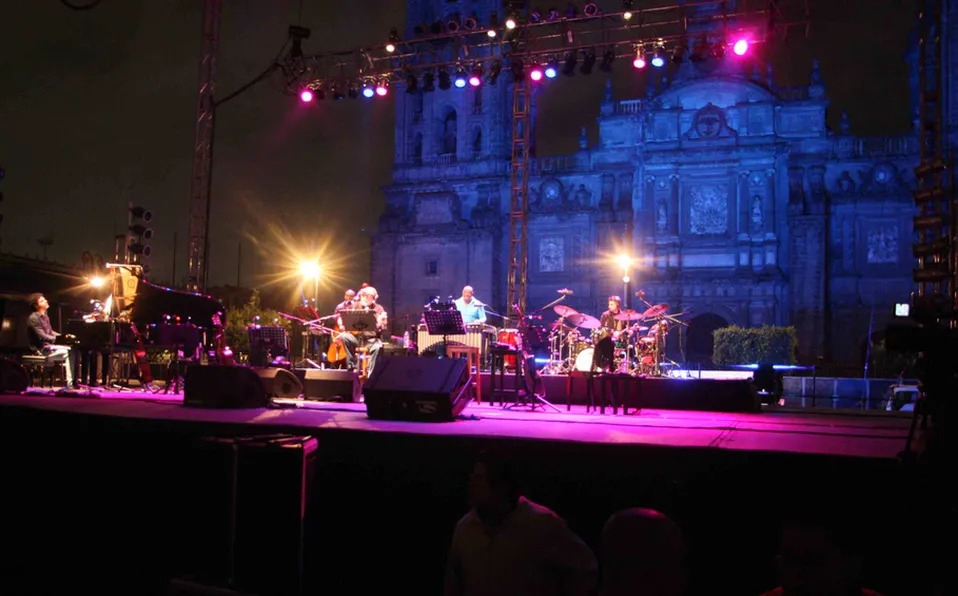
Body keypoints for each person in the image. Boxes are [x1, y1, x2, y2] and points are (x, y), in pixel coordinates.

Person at [444, 450, 598, 596]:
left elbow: (585, 568)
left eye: (478, 479)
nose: (471, 485)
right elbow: (453, 584)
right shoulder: (464, 529)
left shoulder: (541, 524)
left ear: (501, 487)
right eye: (471, 478)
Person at [26, 293, 77, 387]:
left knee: (73, 350)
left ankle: (73, 382)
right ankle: (70, 384)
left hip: (49, 347)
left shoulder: (45, 316)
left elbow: (50, 332)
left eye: (45, 299)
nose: (46, 301)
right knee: (69, 352)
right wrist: (59, 340)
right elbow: (42, 336)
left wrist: (64, 337)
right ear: (36, 306)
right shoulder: (34, 318)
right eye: (42, 301)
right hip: (41, 349)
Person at [337, 285, 387, 377]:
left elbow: (383, 327)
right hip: (356, 339)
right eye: (363, 295)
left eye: (366, 295)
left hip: (371, 340)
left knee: (377, 346)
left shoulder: (379, 308)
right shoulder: (356, 305)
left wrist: (380, 324)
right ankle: (351, 368)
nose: (363, 297)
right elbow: (342, 317)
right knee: (344, 337)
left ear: (373, 297)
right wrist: (342, 324)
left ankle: (371, 375)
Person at [594, 295, 627, 371]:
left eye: (612, 304)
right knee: (605, 347)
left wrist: (630, 331)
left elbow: (627, 329)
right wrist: (612, 333)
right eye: (609, 304)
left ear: (617, 305)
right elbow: (601, 328)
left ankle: (622, 369)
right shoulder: (605, 315)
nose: (609, 306)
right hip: (607, 342)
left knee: (627, 347)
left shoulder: (624, 316)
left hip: (619, 343)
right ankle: (606, 367)